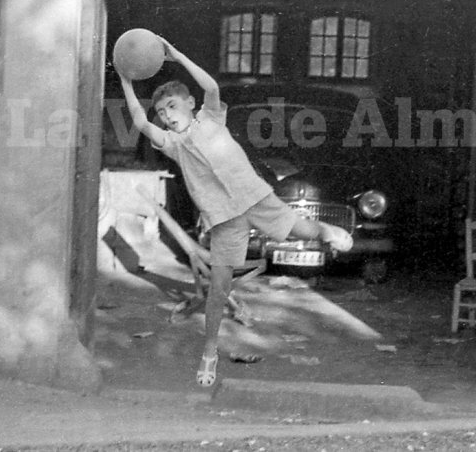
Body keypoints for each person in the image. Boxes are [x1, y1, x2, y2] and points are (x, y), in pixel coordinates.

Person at [120, 37, 353, 387]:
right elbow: (139, 121)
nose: (167, 116)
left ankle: (327, 232)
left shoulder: (212, 117)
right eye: (163, 112)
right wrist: (124, 77)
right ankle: (209, 354)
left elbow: (211, 85)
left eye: (172, 106)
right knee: (218, 289)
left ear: (190, 104)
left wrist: (179, 54)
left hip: (256, 197)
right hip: (224, 219)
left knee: (303, 231)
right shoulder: (173, 146)